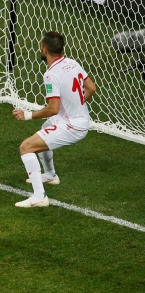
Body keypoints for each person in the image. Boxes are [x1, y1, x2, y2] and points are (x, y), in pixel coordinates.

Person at [12, 32, 96, 208]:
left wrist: (27, 115)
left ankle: (39, 196)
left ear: (44, 50)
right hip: (77, 119)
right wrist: (75, 105)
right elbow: (91, 88)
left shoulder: (51, 74)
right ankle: (50, 175)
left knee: (26, 147)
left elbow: (53, 109)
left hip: (72, 126)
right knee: (45, 128)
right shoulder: (72, 63)